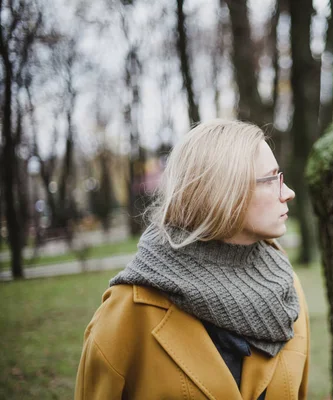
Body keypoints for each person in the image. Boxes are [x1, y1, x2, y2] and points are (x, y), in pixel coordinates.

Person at [75, 120, 310, 400]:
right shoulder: (128, 311)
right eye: (272, 180)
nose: (288, 192)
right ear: (224, 192)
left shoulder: (286, 288)